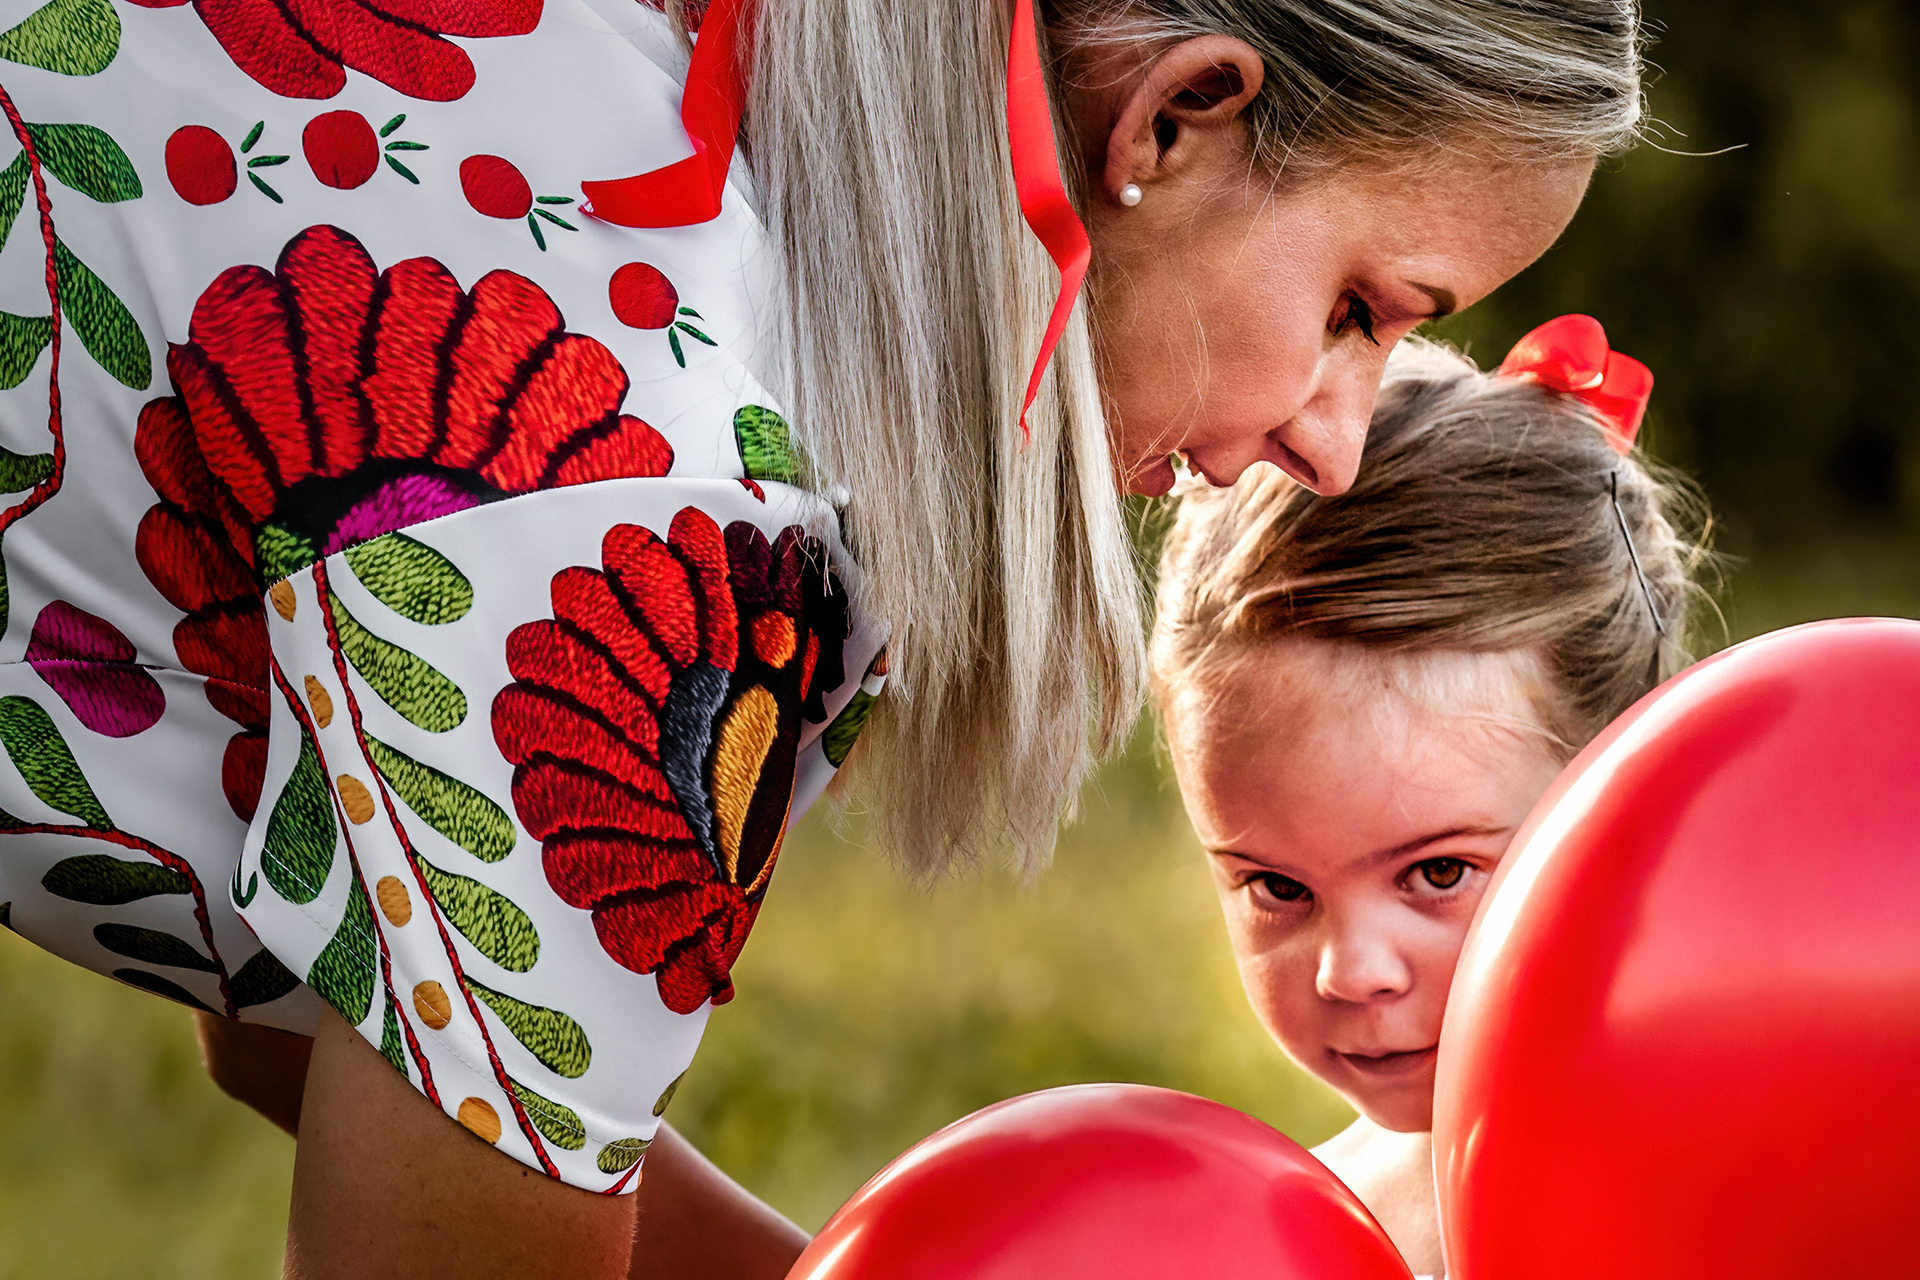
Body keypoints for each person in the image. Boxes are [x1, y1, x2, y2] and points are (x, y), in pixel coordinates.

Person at [0, 0, 1642, 1273]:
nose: (1335, 445)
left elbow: (306, 1029)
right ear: (1170, 120)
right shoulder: (646, 518)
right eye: (1359, 307)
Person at [1150, 324, 1709, 1277]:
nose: (1351, 972)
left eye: (1439, 871)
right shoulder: (1290, 1240)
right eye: (1278, 887)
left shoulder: (1761, 1187)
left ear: (1635, 807)